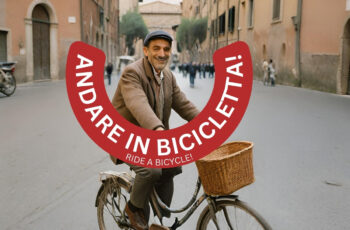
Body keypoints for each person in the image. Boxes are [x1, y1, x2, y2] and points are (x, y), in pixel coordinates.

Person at [110, 30, 200, 230]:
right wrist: (158, 130)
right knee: (150, 169)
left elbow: (184, 105)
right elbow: (139, 105)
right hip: (126, 138)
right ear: (146, 51)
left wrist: (211, 125)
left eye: (166, 49)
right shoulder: (132, 73)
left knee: (172, 164)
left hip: (151, 138)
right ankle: (133, 208)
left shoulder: (167, 76)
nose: (162, 53)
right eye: (156, 48)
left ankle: (159, 215)